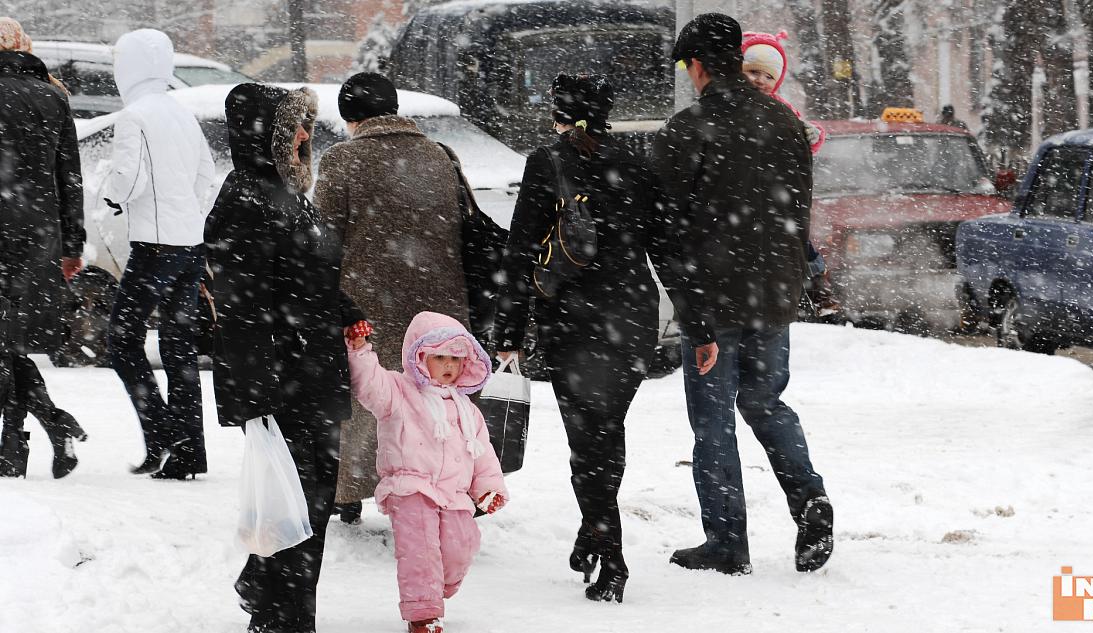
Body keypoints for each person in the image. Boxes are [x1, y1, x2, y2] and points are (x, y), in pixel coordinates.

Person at [492, 73, 717, 603]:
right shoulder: (639, 163)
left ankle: (609, 553)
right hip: (631, 321)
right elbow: (670, 253)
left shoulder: (546, 162)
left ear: (558, 112)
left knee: (585, 442)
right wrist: (699, 327)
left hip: (572, 322)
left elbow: (520, 252)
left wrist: (508, 334)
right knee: (607, 432)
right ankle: (594, 528)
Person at [653, 13, 834, 576]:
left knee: (713, 423)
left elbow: (664, 230)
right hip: (774, 296)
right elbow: (795, 215)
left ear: (698, 66)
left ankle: (727, 542)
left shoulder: (689, 128)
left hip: (714, 302)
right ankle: (810, 499)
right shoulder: (785, 122)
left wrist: (692, 315)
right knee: (764, 403)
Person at [205, 82, 364, 633]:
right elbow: (242, 308)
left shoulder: (285, 192)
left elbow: (302, 276)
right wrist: (259, 399)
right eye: (294, 124)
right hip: (284, 383)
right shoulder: (245, 199)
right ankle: (287, 617)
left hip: (312, 371)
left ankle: (267, 592)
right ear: (263, 135)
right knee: (301, 510)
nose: (304, 135)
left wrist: (344, 309)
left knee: (304, 509)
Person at [315, 72, 472, 525]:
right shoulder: (441, 155)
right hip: (441, 307)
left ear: (350, 116)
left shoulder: (341, 161)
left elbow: (324, 240)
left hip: (370, 306)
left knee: (369, 401)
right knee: (433, 399)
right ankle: (445, 487)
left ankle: (350, 490)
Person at [346, 312, 507, 633]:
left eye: (456, 359)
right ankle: (423, 614)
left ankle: (434, 588)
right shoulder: (398, 391)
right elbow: (369, 384)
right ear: (419, 358)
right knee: (419, 552)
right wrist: (360, 348)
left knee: (461, 547)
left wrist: (490, 488)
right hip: (410, 487)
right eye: (440, 357)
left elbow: (482, 452)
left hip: (455, 494)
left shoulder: (467, 408)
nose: (449, 365)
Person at [102, 29, 215, 479]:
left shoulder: (135, 116)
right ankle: (188, 450)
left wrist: (112, 196)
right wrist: (189, 214)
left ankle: (166, 433)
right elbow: (207, 175)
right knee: (178, 345)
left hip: (155, 244)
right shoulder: (182, 114)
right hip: (189, 243)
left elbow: (129, 181)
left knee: (123, 339)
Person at [0, 18, 88, 479]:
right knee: (11, 345)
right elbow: (69, 177)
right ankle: (26, 440)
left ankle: (31, 437)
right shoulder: (54, 96)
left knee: (5, 346)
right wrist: (72, 244)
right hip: (38, 236)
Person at [741, 30, 840, 319]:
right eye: (753, 71)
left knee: (799, 242)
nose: (760, 80)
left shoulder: (782, 109)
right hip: (747, 195)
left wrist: (812, 136)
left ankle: (818, 287)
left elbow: (807, 136)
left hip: (776, 195)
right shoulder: (731, 105)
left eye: (769, 76)